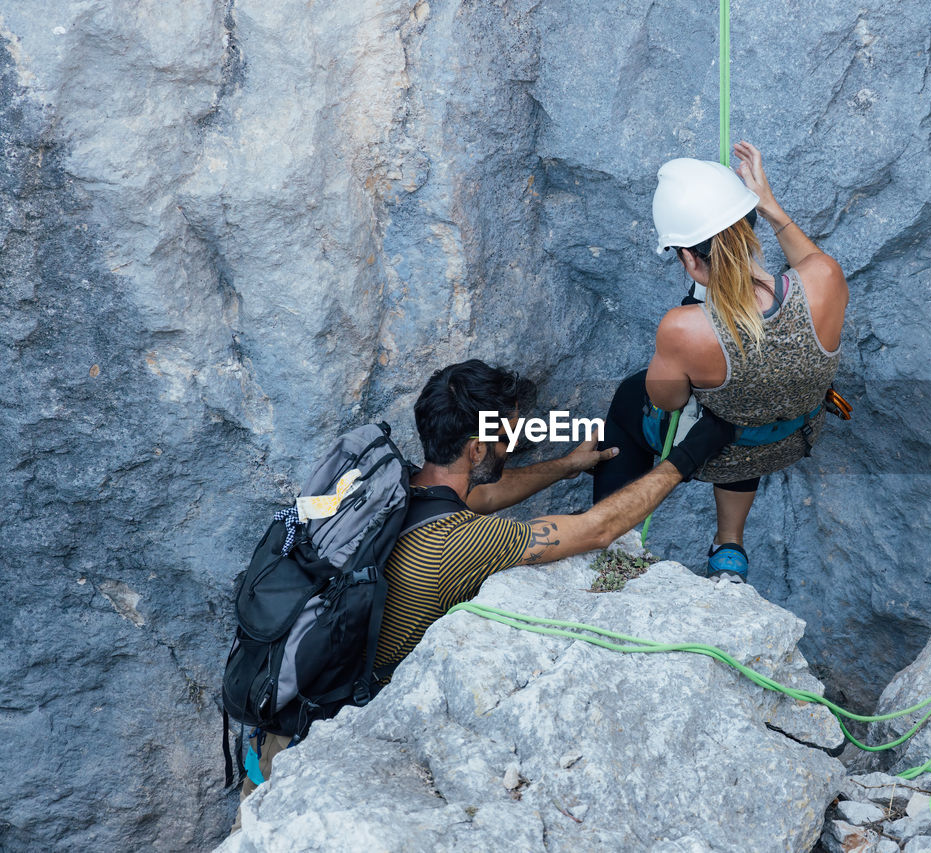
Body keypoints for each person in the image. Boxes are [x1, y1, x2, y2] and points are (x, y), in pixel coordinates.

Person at [237, 359, 733, 810]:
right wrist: (687, 458)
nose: (516, 441)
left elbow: (482, 495)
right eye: (507, 435)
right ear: (477, 447)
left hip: (273, 725)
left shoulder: (391, 490)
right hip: (307, 759)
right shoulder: (459, 544)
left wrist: (568, 465)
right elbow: (597, 529)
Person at [593, 141, 847, 584]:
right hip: (789, 437)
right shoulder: (826, 279)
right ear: (751, 227)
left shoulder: (685, 328)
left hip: (720, 451)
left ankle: (612, 542)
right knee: (748, 401)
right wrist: (769, 205)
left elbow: (666, 401)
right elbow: (809, 259)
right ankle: (729, 547)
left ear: (690, 258)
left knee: (631, 397)